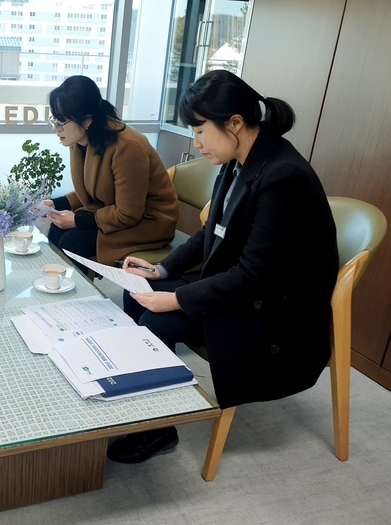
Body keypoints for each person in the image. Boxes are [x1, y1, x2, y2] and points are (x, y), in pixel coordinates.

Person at [109, 70, 339, 464]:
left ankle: (158, 430)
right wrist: (161, 273)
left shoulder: (284, 177)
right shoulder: (239, 160)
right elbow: (210, 233)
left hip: (277, 312)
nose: (195, 143)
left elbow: (255, 276)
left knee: (155, 321)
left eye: (200, 131)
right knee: (137, 298)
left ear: (234, 123)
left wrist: (178, 298)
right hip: (247, 288)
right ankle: (145, 412)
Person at [42, 75, 178, 274]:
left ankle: (78, 299)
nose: (56, 128)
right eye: (54, 120)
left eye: (61, 122)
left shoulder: (128, 147)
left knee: (72, 241)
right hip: (117, 212)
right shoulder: (80, 139)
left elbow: (128, 213)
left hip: (148, 222)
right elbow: (94, 190)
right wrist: (58, 204)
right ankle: (57, 292)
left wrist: (77, 220)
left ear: (87, 120)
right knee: (57, 230)